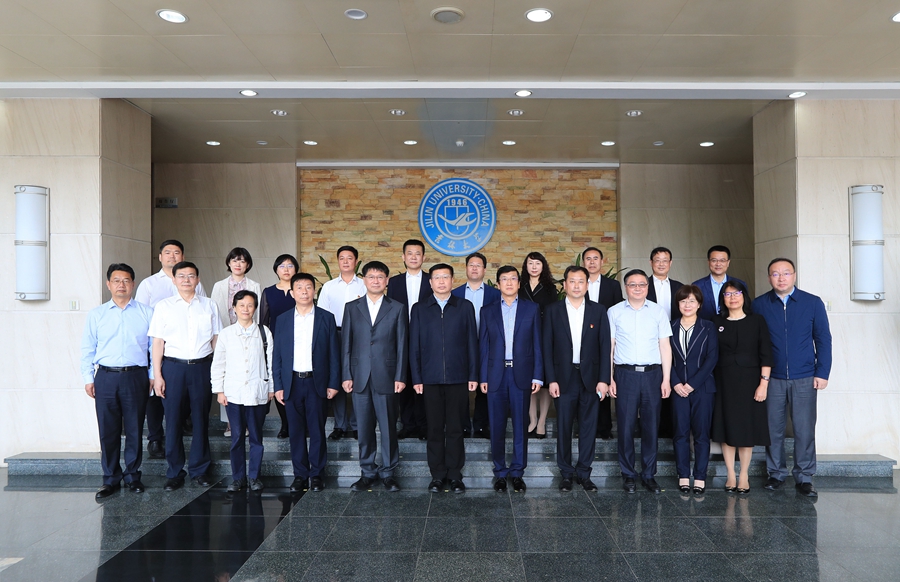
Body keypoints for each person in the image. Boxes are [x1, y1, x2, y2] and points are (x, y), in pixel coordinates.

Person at [753, 258, 832, 497]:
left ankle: (804, 477)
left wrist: (822, 372)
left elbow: (823, 339)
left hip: (805, 376)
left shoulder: (812, 302)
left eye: (786, 273)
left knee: (804, 429)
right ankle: (776, 473)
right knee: (772, 428)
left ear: (794, 275)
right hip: (772, 378)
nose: (781, 278)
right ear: (769, 277)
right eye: (775, 274)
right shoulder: (759, 304)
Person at [81, 263, 154, 499]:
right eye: (116, 280)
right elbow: (87, 348)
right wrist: (88, 378)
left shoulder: (146, 312)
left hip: (136, 376)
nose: (121, 285)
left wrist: (152, 376)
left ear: (133, 284)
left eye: (126, 280)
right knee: (108, 430)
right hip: (105, 377)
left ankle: (133, 475)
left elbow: (154, 348)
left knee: (134, 428)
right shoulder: (97, 314)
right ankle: (110, 478)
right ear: (108, 284)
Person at [148, 261, 221, 491]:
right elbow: (157, 343)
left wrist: (219, 371)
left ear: (198, 280)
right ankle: (174, 472)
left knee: (200, 419)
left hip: (202, 367)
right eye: (181, 276)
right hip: (173, 368)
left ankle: (200, 470)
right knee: (173, 421)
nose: (186, 280)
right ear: (174, 280)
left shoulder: (209, 305)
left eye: (191, 276)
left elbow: (216, 340)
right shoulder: (164, 306)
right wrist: (157, 375)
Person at [135, 239, 207, 460]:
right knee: (156, 392)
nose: (172, 256)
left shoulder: (194, 284)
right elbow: (141, 317)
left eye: (177, 252)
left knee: (181, 398)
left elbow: (202, 313)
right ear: (160, 257)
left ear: (182, 256)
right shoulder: (149, 284)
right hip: (156, 345)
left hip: (190, 351)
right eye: (168, 252)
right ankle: (156, 436)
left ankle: (183, 425)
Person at [410, 263, 478, 493]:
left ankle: (455, 474)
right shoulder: (419, 309)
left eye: (445, 277)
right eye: (436, 277)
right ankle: (437, 475)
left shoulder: (464, 306)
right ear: (430, 282)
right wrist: (417, 378)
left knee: (456, 429)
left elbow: (472, 342)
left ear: (452, 280)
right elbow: (414, 346)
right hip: (429, 379)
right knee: (434, 429)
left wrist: (473, 374)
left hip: (458, 377)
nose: (441, 281)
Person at [542, 266, 611, 492]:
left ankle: (584, 473)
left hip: (591, 378)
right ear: (564, 285)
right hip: (563, 378)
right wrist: (551, 379)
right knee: (563, 426)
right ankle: (566, 473)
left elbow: (604, 346)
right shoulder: (553, 310)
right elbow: (547, 347)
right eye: (572, 281)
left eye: (581, 281)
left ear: (587, 285)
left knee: (588, 427)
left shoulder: (598, 310)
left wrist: (604, 379)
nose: (576, 285)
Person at [341, 261, 408, 492]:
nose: (376, 280)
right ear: (364, 280)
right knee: (364, 427)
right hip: (359, 376)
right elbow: (346, 344)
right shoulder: (352, 308)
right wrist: (346, 374)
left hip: (387, 376)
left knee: (388, 427)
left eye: (380, 277)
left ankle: (388, 473)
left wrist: (400, 376)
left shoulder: (397, 308)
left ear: (387, 281)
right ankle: (367, 472)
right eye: (371, 276)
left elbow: (402, 345)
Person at [272, 273, 340, 493]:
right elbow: (277, 356)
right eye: (299, 288)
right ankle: (300, 475)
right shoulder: (282, 319)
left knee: (317, 430)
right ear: (292, 293)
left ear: (314, 291)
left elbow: (334, 353)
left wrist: (333, 383)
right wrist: (278, 385)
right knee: (296, 431)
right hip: (291, 382)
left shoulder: (326, 318)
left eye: (308, 287)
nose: (304, 291)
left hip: (316, 383)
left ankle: (317, 474)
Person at [608, 269, 672, 494]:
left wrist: (666, 379)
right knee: (625, 427)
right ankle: (628, 474)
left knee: (651, 426)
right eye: (632, 284)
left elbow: (665, 346)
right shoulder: (614, 311)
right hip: (625, 375)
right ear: (626, 287)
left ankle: (648, 474)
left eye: (642, 284)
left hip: (653, 375)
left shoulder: (658, 311)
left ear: (647, 287)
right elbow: (610, 347)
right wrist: (609, 378)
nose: (637, 288)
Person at [479, 266, 543, 493]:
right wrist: (483, 376)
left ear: (519, 283)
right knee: (496, 426)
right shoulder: (487, 311)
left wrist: (538, 375)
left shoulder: (531, 308)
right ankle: (499, 472)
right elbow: (483, 346)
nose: (508, 283)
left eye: (513, 279)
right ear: (497, 284)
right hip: (495, 375)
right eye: (504, 279)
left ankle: (517, 472)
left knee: (520, 426)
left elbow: (537, 344)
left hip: (521, 374)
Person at [711, 280, 773, 495]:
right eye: (727, 294)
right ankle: (730, 473)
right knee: (726, 427)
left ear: (744, 296)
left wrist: (763, 384)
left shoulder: (757, 321)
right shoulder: (715, 321)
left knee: (746, 428)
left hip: (750, 382)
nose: (732, 298)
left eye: (736, 293)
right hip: (723, 381)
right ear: (722, 299)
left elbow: (766, 354)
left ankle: (744, 474)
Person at [211, 290, 273, 493]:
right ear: (234, 308)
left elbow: (271, 363)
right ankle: (238, 478)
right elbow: (218, 364)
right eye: (242, 305)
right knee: (236, 437)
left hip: (257, 392)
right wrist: (219, 390)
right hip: (233, 394)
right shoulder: (227, 334)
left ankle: (254, 477)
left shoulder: (264, 332)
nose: (246, 309)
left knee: (256, 438)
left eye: (250, 305)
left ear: (255, 308)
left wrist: (271, 388)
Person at [669, 285, 718, 495]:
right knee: (680, 433)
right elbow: (665, 357)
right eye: (683, 301)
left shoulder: (708, 327)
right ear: (678, 304)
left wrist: (692, 384)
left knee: (701, 434)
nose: (687, 305)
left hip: (703, 388)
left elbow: (712, 358)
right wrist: (675, 382)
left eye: (691, 301)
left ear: (699, 304)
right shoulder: (669, 326)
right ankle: (682, 475)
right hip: (677, 388)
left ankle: (699, 477)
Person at [211, 247, 262, 437]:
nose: (238, 264)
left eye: (242, 260)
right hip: (227, 336)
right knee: (227, 377)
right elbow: (214, 314)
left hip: (249, 335)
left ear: (247, 264)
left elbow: (258, 312)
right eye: (234, 260)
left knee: (248, 376)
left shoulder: (254, 285)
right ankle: (230, 423)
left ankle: (247, 422)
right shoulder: (219, 286)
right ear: (229, 263)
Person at [316, 245, 365, 440]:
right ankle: (340, 425)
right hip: (335, 334)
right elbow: (322, 315)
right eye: (342, 258)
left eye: (349, 258)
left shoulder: (364, 285)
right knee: (336, 376)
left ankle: (356, 425)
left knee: (358, 377)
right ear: (338, 261)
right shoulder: (328, 287)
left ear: (356, 261)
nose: (345, 261)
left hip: (359, 335)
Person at [452, 252, 501, 439]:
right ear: (466, 268)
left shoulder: (495, 294)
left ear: (484, 270)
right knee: (461, 387)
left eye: (478, 265)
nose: (474, 268)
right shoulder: (454, 294)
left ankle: (481, 426)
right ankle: (463, 425)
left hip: (487, 346)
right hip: (461, 348)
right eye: (471, 265)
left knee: (485, 385)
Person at [386, 239, 431, 440]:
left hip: (425, 339)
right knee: (403, 382)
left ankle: (423, 425)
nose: (413, 257)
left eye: (417, 253)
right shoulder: (394, 282)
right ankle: (407, 425)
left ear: (424, 257)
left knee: (423, 383)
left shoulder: (431, 280)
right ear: (403, 257)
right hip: (401, 339)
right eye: (410, 253)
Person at [582, 246, 623, 440]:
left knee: (603, 380)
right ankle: (584, 426)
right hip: (582, 341)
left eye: (595, 258)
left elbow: (618, 311)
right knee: (584, 385)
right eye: (588, 259)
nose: (592, 262)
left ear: (602, 261)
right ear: (583, 262)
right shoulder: (578, 283)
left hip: (606, 338)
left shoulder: (612, 285)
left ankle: (604, 427)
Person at [646, 246, 684, 439]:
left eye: (665, 260)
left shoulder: (679, 287)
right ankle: (654, 427)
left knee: (672, 378)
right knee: (653, 382)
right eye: (657, 260)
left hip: (674, 339)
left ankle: (670, 426)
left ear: (670, 263)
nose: (661, 264)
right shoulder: (642, 285)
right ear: (651, 263)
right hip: (649, 340)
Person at [260, 254, 300, 439]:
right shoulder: (268, 292)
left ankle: (299, 422)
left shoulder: (301, 290)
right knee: (280, 382)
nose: (286, 269)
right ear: (276, 269)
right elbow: (264, 322)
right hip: (276, 345)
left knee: (297, 383)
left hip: (299, 344)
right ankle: (285, 424)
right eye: (282, 266)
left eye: (290, 265)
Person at [519, 251, 557, 439]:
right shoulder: (520, 286)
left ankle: (542, 421)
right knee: (529, 379)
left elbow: (553, 314)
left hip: (544, 336)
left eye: (537, 263)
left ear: (543, 266)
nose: (534, 267)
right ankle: (532, 419)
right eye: (530, 263)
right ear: (525, 266)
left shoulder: (550, 288)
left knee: (544, 381)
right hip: (524, 337)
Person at [692, 245, 747, 320]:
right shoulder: (697, 286)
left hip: (733, 325)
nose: (718, 264)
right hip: (706, 325)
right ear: (708, 262)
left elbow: (745, 308)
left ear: (728, 263)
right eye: (714, 260)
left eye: (722, 260)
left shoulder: (740, 284)